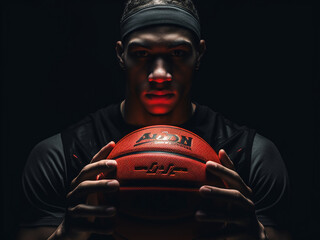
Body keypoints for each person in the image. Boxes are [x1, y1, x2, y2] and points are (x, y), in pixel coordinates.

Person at [17, 0, 291, 239]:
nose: (160, 74)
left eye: (177, 53)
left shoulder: (252, 155)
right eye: (142, 54)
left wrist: (257, 237)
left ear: (200, 54)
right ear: (120, 54)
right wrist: (66, 234)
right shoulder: (61, 155)